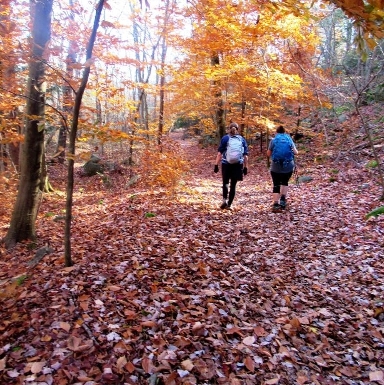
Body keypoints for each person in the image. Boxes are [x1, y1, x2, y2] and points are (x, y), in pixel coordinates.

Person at [214, 122, 249, 210]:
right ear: (238, 129)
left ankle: (224, 200)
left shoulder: (225, 138)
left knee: (225, 182)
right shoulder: (242, 139)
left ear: (229, 129)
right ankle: (229, 205)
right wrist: (245, 167)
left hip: (226, 164)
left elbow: (219, 154)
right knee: (233, 185)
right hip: (238, 165)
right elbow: (245, 155)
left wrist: (216, 165)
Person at [266, 125, 298, 211]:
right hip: (288, 165)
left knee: (276, 184)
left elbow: (268, 154)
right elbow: (296, 152)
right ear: (284, 132)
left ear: (276, 132)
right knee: (285, 182)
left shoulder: (273, 140)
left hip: (276, 166)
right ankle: (283, 200)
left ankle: (276, 204)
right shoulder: (289, 139)